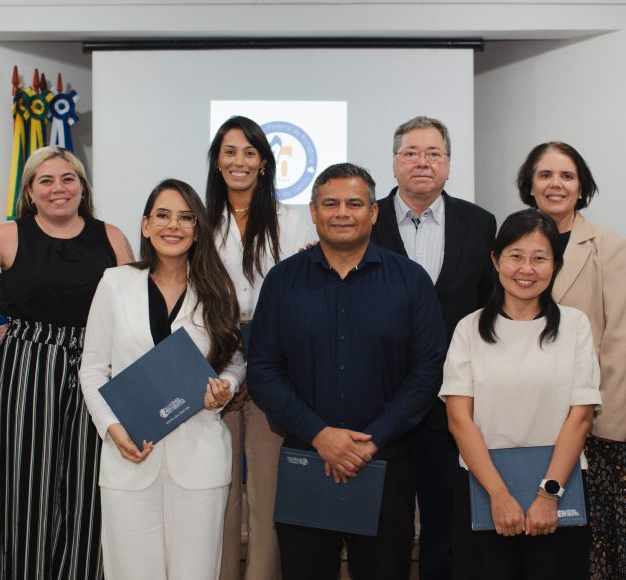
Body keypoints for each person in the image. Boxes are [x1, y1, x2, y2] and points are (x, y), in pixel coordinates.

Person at [248, 163, 446, 580]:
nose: (342, 212)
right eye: (330, 204)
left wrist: (369, 442)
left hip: (386, 463)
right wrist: (320, 435)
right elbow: (264, 370)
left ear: (373, 213)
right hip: (307, 459)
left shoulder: (411, 281)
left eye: (355, 203)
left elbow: (428, 371)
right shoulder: (282, 281)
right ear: (314, 213)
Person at [0, 146, 134, 579]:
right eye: (46, 180)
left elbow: (133, 307)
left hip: (96, 369)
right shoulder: (7, 235)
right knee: (27, 488)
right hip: (29, 370)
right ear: (30, 191)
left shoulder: (110, 236)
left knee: (89, 489)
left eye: (68, 179)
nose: (58, 189)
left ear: (82, 186)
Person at [79, 179, 245, 579]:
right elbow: (93, 367)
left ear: (197, 228)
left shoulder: (217, 288)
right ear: (146, 224)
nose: (174, 226)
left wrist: (227, 387)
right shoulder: (115, 284)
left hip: (200, 458)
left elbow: (235, 360)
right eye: (163, 215)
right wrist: (112, 428)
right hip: (130, 455)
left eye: (186, 217)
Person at [441, 209, 600, 580]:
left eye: (539, 258)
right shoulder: (469, 328)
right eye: (516, 256)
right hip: (483, 490)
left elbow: (581, 417)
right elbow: (458, 419)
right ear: (496, 260)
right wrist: (499, 495)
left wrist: (548, 496)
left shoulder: (575, 326)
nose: (526, 269)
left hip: (559, 490)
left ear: (555, 265)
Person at [370, 116, 496, 580]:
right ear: (394, 161)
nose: (422, 162)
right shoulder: (366, 218)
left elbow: (489, 310)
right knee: (385, 529)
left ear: (448, 163)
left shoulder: (480, 224)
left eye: (433, 154)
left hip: (453, 406)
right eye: (411, 153)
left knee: (448, 529)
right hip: (381, 405)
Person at [517, 141, 626, 579]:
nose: (556, 184)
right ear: (529, 185)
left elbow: (621, 339)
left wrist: (604, 426)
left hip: (590, 423)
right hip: (525, 420)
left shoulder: (608, 245)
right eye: (545, 175)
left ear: (582, 185)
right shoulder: (510, 243)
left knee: (589, 548)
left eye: (567, 176)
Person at [206, 116, 313, 580]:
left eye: (249, 152)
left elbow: (301, 295)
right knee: (219, 491)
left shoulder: (295, 218)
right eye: (229, 151)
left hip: (275, 364)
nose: (239, 161)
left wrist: (260, 369)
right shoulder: (200, 220)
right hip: (211, 364)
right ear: (216, 161)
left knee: (267, 493)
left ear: (265, 163)